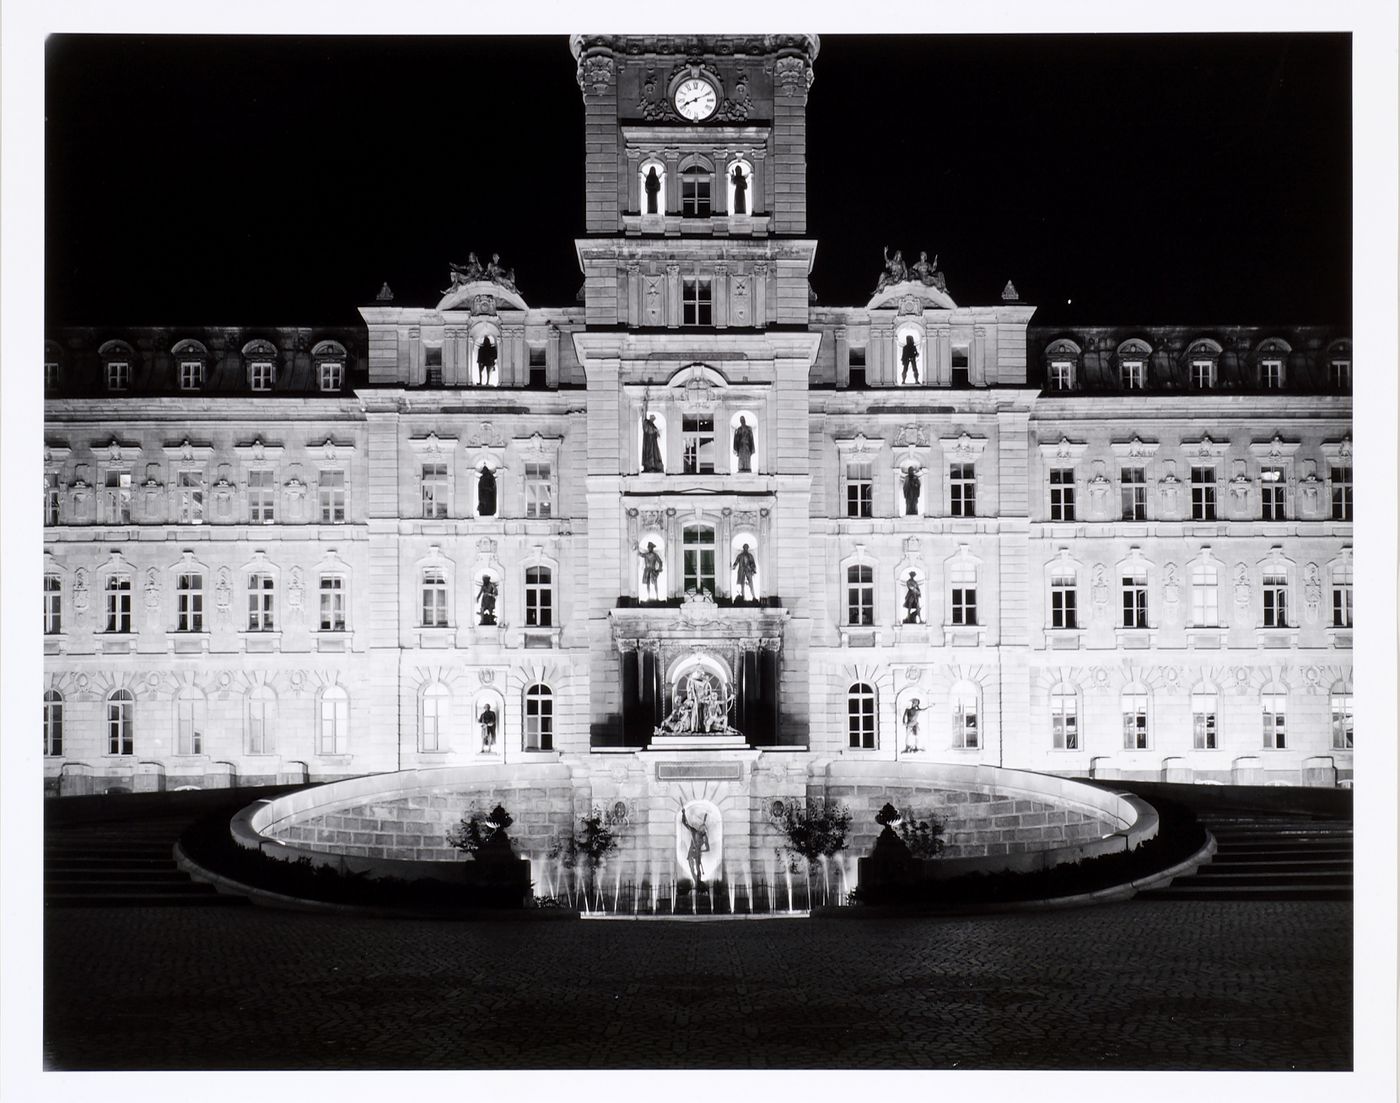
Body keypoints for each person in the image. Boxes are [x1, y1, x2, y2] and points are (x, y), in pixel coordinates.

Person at [681, 807, 710, 884]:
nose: (701, 829)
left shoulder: (704, 838)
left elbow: (708, 849)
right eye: (701, 828)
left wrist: (700, 850)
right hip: (691, 853)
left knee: (698, 869)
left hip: (697, 854)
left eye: (703, 829)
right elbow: (684, 823)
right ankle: (696, 882)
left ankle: (698, 882)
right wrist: (683, 814)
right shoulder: (694, 831)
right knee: (691, 869)